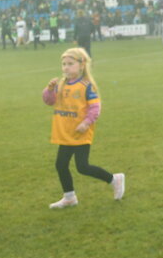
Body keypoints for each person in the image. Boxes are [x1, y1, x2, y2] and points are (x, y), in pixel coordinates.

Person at [42, 47, 125, 209]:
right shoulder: (60, 84)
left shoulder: (87, 86)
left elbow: (95, 108)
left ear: (81, 65)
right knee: (61, 164)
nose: (66, 67)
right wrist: (49, 89)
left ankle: (114, 179)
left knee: (82, 167)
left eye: (70, 64)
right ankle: (69, 197)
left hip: (81, 132)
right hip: (65, 133)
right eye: (63, 64)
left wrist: (86, 123)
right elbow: (49, 101)